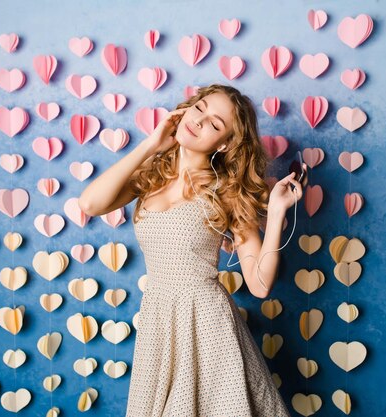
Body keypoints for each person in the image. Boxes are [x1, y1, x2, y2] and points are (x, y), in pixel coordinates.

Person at [79, 83, 304, 416]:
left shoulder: (227, 191)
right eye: (200, 108)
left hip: (207, 326)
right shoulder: (151, 175)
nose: (199, 122)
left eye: (215, 124)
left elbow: (258, 283)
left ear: (225, 143)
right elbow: (90, 203)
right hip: (159, 323)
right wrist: (152, 144)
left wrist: (275, 213)